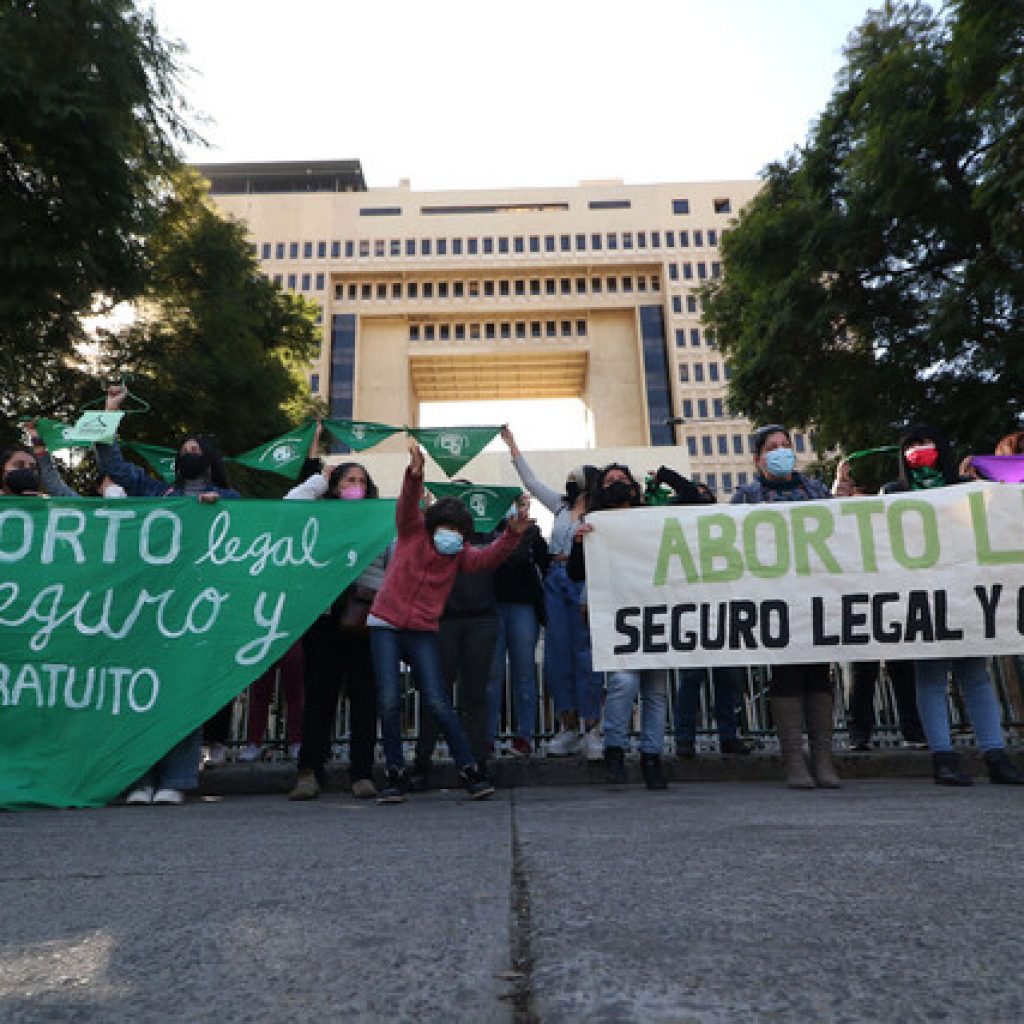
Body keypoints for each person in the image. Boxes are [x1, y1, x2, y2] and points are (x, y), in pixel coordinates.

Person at [96, 384, 240, 805]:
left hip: (198, 612)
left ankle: (176, 779)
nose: (187, 451)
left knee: (183, 694)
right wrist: (110, 411)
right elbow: (114, 466)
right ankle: (138, 778)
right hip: (152, 607)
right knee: (145, 693)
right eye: (184, 447)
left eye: (195, 447)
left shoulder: (230, 499)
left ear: (209, 459)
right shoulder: (158, 493)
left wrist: (226, 511)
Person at [368, 441, 527, 803]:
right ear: (432, 525)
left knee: (439, 700)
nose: (450, 534)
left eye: (459, 530)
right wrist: (415, 472)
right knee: (390, 699)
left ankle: (469, 770)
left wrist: (513, 532)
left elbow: (489, 558)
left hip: (423, 630)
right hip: (385, 624)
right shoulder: (411, 533)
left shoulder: (459, 557)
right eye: (445, 527)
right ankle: (395, 773)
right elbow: (408, 503)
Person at [884, 424, 1024, 786]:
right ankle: (943, 758)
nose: (920, 449)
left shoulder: (965, 489)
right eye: (912, 445)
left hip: (965, 594)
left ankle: (995, 755)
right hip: (920, 597)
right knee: (930, 676)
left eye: (926, 442)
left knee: (975, 675)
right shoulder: (893, 493)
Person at [732, 424, 840, 789]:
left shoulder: (815, 490)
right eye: (771, 446)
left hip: (817, 594)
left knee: (818, 672)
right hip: (773, 598)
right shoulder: (747, 496)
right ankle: (795, 760)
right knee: (787, 671)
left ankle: (823, 760)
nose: (780, 451)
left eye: (785, 445)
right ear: (758, 458)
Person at [288, 447, 389, 801]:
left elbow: (393, 565)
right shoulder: (319, 515)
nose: (356, 485)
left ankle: (361, 773)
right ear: (334, 485)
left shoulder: (380, 519)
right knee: (319, 696)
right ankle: (308, 771)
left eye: (362, 481)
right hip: (325, 616)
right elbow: (290, 504)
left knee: (365, 697)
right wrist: (319, 478)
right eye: (349, 479)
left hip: (366, 618)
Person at [500, 426, 604, 759]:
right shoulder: (560, 507)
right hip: (556, 580)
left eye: (575, 477)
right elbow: (531, 482)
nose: (569, 481)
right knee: (558, 654)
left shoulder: (599, 514)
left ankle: (593, 728)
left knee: (586, 653)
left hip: (584, 579)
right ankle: (567, 727)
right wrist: (514, 447)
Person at [570, 464, 670, 789]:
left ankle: (652, 757)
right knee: (624, 682)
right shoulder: (594, 524)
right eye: (609, 481)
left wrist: (665, 476)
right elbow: (575, 573)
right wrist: (578, 542)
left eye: (621, 480)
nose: (615, 484)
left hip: (654, 612)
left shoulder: (653, 521)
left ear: (634, 488)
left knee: (655, 689)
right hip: (618, 615)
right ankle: (615, 750)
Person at [651, 465, 752, 759]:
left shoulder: (724, 527)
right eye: (700, 492)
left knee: (727, 678)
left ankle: (729, 736)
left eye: (709, 493)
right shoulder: (675, 515)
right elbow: (690, 493)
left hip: (722, 606)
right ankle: (685, 739)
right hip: (690, 608)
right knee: (692, 677)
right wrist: (665, 474)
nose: (704, 496)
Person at [488, 494, 549, 757]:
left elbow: (544, 565)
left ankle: (525, 737)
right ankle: (487, 737)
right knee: (492, 675)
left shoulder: (533, 532)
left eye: (522, 503)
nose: (518, 508)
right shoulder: (487, 529)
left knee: (524, 672)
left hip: (524, 605)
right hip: (492, 606)